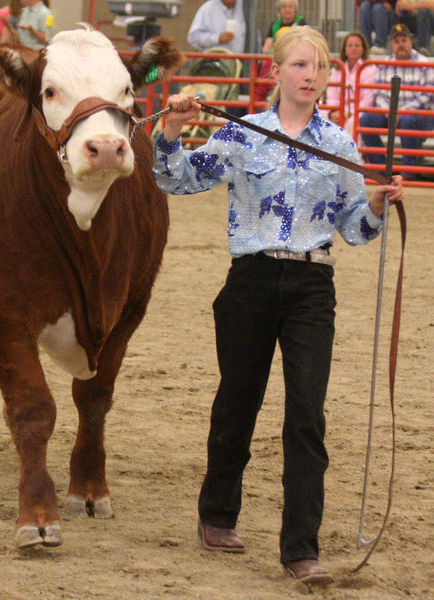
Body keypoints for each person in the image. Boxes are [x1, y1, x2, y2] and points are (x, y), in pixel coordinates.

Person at [152, 25, 403, 585]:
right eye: (298, 65)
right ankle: (217, 517)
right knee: (238, 401)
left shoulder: (337, 144)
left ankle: (300, 549)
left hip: (313, 285)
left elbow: (355, 230)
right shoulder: (242, 135)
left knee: (306, 414)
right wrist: (170, 131)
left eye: (318, 67)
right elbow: (176, 178)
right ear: (275, 72)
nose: (309, 75)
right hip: (251, 279)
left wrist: (379, 207)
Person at [360, 23, 434, 178]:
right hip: (390, 113)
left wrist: (401, 112)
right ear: (391, 44)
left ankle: (409, 172)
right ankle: (381, 169)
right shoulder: (385, 64)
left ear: (410, 42)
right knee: (366, 120)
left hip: (421, 115)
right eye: (397, 41)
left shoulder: (425, 63)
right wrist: (391, 112)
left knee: (407, 120)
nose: (401, 44)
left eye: (404, 40)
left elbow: (427, 97)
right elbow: (379, 94)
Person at [324, 31, 377, 136]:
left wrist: (349, 113)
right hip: (339, 109)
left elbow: (368, 100)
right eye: (350, 45)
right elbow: (332, 96)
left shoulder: (370, 68)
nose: (353, 48)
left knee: (352, 123)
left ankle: (352, 152)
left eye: (357, 45)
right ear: (345, 49)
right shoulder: (337, 69)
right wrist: (333, 112)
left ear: (363, 49)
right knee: (322, 117)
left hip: (359, 110)